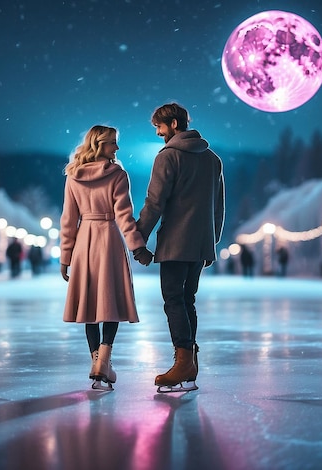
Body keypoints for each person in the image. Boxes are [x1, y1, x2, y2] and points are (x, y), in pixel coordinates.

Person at [136, 103, 225, 393]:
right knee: (188, 300)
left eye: (159, 127)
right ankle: (190, 365)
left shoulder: (168, 157)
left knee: (173, 300)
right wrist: (212, 241)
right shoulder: (212, 159)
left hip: (175, 242)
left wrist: (139, 237)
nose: (158, 132)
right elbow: (218, 205)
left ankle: (183, 361)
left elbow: (154, 202)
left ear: (174, 124)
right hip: (200, 244)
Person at [59, 125, 153, 391]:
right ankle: (105, 360)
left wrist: (65, 256)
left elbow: (68, 220)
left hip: (83, 241)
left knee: (89, 304)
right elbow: (124, 216)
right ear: (100, 145)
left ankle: (95, 361)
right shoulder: (117, 175)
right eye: (113, 143)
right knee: (110, 301)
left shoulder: (73, 175)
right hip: (108, 239)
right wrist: (137, 246)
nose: (117, 148)